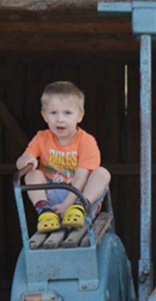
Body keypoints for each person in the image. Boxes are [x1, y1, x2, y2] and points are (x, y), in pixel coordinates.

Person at [15, 81, 111, 233]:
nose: (60, 119)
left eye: (67, 113)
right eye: (53, 113)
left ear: (80, 116)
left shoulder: (86, 141)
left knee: (102, 173)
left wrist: (68, 205)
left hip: (81, 197)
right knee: (32, 174)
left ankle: (79, 209)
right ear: (44, 116)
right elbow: (21, 162)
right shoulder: (41, 138)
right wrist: (26, 160)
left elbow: (81, 177)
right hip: (52, 197)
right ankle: (45, 212)